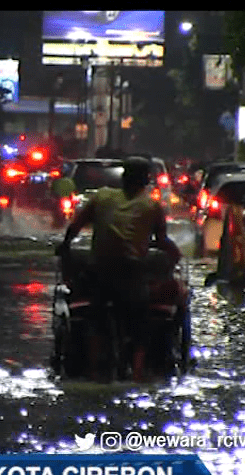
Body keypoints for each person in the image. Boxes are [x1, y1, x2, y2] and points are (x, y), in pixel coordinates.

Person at [57, 156, 182, 382]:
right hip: (132, 276)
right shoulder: (151, 206)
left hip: (100, 273)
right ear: (146, 181)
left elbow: (74, 228)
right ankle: (137, 371)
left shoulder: (101, 196)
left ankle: (94, 369)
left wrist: (64, 247)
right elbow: (162, 240)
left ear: (123, 178)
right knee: (141, 324)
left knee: (94, 321)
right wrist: (176, 255)